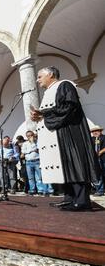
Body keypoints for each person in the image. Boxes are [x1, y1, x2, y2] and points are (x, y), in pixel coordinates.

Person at [31, 66, 98, 211]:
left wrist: (44, 114)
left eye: (39, 77)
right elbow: (51, 112)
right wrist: (40, 115)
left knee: (75, 165)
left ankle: (81, 201)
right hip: (57, 135)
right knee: (64, 167)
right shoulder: (48, 92)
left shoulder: (65, 85)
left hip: (69, 133)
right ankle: (69, 198)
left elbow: (69, 107)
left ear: (50, 75)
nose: (37, 80)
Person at [21, 131, 52, 197]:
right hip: (29, 162)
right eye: (28, 136)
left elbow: (38, 149)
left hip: (37, 161)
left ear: (33, 135)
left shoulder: (38, 142)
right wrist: (31, 150)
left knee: (39, 177)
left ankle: (40, 190)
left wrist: (33, 144)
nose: (30, 137)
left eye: (31, 135)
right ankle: (32, 190)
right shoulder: (25, 144)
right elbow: (23, 151)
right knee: (30, 178)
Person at [90, 125, 105, 197]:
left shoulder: (104, 137)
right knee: (98, 175)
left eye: (96, 131)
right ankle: (100, 190)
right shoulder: (90, 139)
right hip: (95, 160)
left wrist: (99, 152)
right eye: (93, 131)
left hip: (103, 158)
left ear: (100, 131)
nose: (95, 132)